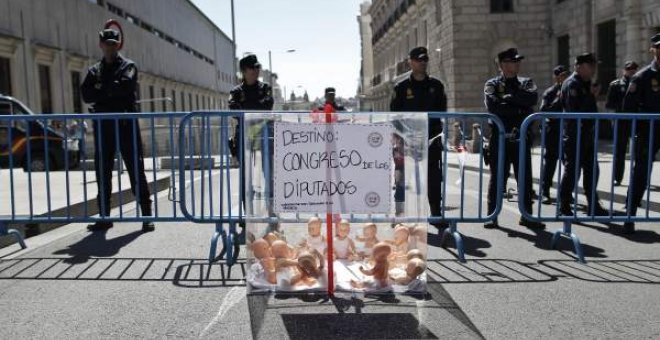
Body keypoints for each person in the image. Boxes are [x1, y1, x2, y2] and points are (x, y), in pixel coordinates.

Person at [81, 28, 154, 232]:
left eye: (114, 43)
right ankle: (104, 216)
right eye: (107, 44)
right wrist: (109, 88)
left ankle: (147, 215)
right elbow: (86, 94)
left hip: (125, 125)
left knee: (135, 170)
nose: (111, 47)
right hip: (104, 127)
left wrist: (100, 90)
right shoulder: (94, 70)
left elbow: (125, 87)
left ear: (118, 45)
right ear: (101, 45)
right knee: (102, 172)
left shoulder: (128, 66)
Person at [483, 48, 545, 229]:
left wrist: (508, 100)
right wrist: (518, 105)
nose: (516, 64)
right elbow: (494, 107)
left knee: (524, 177)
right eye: (512, 61)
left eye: (518, 61)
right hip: (499, 138)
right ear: (502, 65)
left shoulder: (527, 82)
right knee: (497, 178)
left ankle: (527, 215)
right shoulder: (492, 84)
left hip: (520, 137)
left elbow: (531, 99)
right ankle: (491, 215)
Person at [390, 46, 448, 229]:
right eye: (418, 59)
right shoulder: (401, 88)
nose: (422, 63)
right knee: (402, 179)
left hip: (430, 140)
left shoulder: (437, 86)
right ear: (411, 62)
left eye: (425, 60)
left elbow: (441, 113)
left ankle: (436, 213)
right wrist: (401, 138)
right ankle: (400, 214)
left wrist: (437, 135)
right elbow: (395, 115)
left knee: (433, 178)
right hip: (405, 141)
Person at [558, 53, 608, 217]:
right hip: (574, 134)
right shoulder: (572, 84)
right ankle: (564, 204)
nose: (594, 70)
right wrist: (591, 95)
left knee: (592, 170)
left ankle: (593, 204)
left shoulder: (585, 83)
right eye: (591, 66)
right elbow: (575, 110)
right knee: (572, 171)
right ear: (580, 67)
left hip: (587, 134)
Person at [621, 33, 660, 234]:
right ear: (653, 50)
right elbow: (629, 108)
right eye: (659, 48)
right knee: (641, 174)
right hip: (648, 131)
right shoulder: (642, 76)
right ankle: (630, 214)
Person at [228, 54, 274, 223]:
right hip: (244, 138)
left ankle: (271, 212)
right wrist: (253, 111)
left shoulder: (265, 88)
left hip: (264, 136)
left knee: (268, 175)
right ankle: (248, 215)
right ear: (243, 71)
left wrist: (247, 110)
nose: (256, 71)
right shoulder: (236, 92)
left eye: (257, 67)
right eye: (252, 68)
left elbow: (267, 106)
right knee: (246, 179)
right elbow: (234, 110)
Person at [539, 65, 570, 204]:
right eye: (562, 75)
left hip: (568, 131)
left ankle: (567, 192)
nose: (564, 78)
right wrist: (558, 99)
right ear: (556, 77)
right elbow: (544, 110)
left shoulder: (571, 88)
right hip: (554, 131)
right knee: (551, 162)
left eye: (566, 75)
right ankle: (545, 191)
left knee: (570, 164)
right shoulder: (550, 92)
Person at [606, 60, 639, 186]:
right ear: (624, 70)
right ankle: (617, 177)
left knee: (640, 151)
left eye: (634, 68)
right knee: (619, 151)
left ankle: (638, 178)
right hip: (621, 121)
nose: (632, 71)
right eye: (629, 68)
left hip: (637, 121)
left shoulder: (640, 83)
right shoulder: (615, 84)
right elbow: (609, 104)